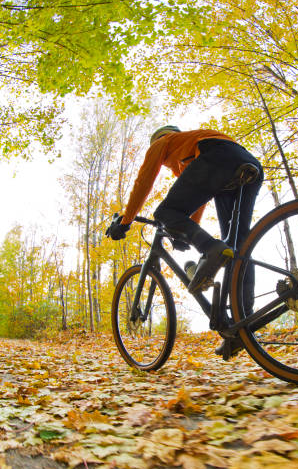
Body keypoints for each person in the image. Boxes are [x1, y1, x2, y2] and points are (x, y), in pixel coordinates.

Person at [107, 125, 263, 357]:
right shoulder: (191, 150)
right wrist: (186, 232)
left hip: (219, 156)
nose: (169, 168)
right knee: (238, 247)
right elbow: (199, 199)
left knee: (164, 212)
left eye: (166, 164)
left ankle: (212, 250)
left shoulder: (164, 142)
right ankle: (242, 324)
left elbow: (143, 183)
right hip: (247, 165)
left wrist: (125, 222)